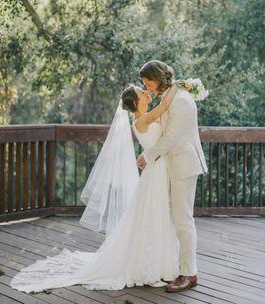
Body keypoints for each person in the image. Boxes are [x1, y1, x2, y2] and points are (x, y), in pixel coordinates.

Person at [10, 82, 180, 292]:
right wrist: (180, 87)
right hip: (154, 172)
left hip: (157, 169)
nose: (147, 93)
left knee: (157, 216)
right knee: (152, 217)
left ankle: (159, 266)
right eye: (142, 92)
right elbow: (164, 108)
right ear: (136, 103)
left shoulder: (142, 118)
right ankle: (147, 270)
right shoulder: (141, 120)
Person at [137, 60, 208, 293]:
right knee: (175, 218)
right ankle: (176, 268)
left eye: (148, 82)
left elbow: (171, 139)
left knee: (183, 220)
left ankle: (190, 274)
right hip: (173, 165)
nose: (147, 87)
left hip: (184, 165)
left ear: (158, 78)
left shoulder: (180, 101)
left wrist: (147, 156)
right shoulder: (170, 97)